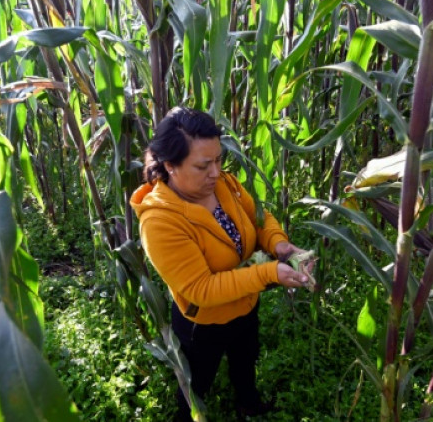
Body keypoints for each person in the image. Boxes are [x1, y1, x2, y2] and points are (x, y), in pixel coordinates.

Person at [130, 107, 309, 421]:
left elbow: (258, 218)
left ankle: (248, 404)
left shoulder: (221, 183)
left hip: (245, 304)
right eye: (203, 165)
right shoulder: (160, 222)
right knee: (196, 384)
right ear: (170, 166)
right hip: (204, 324)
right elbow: (202, 289)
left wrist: (277, 242)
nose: (216, 172)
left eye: (218, 160)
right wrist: (270, 273)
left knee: (245, 359)